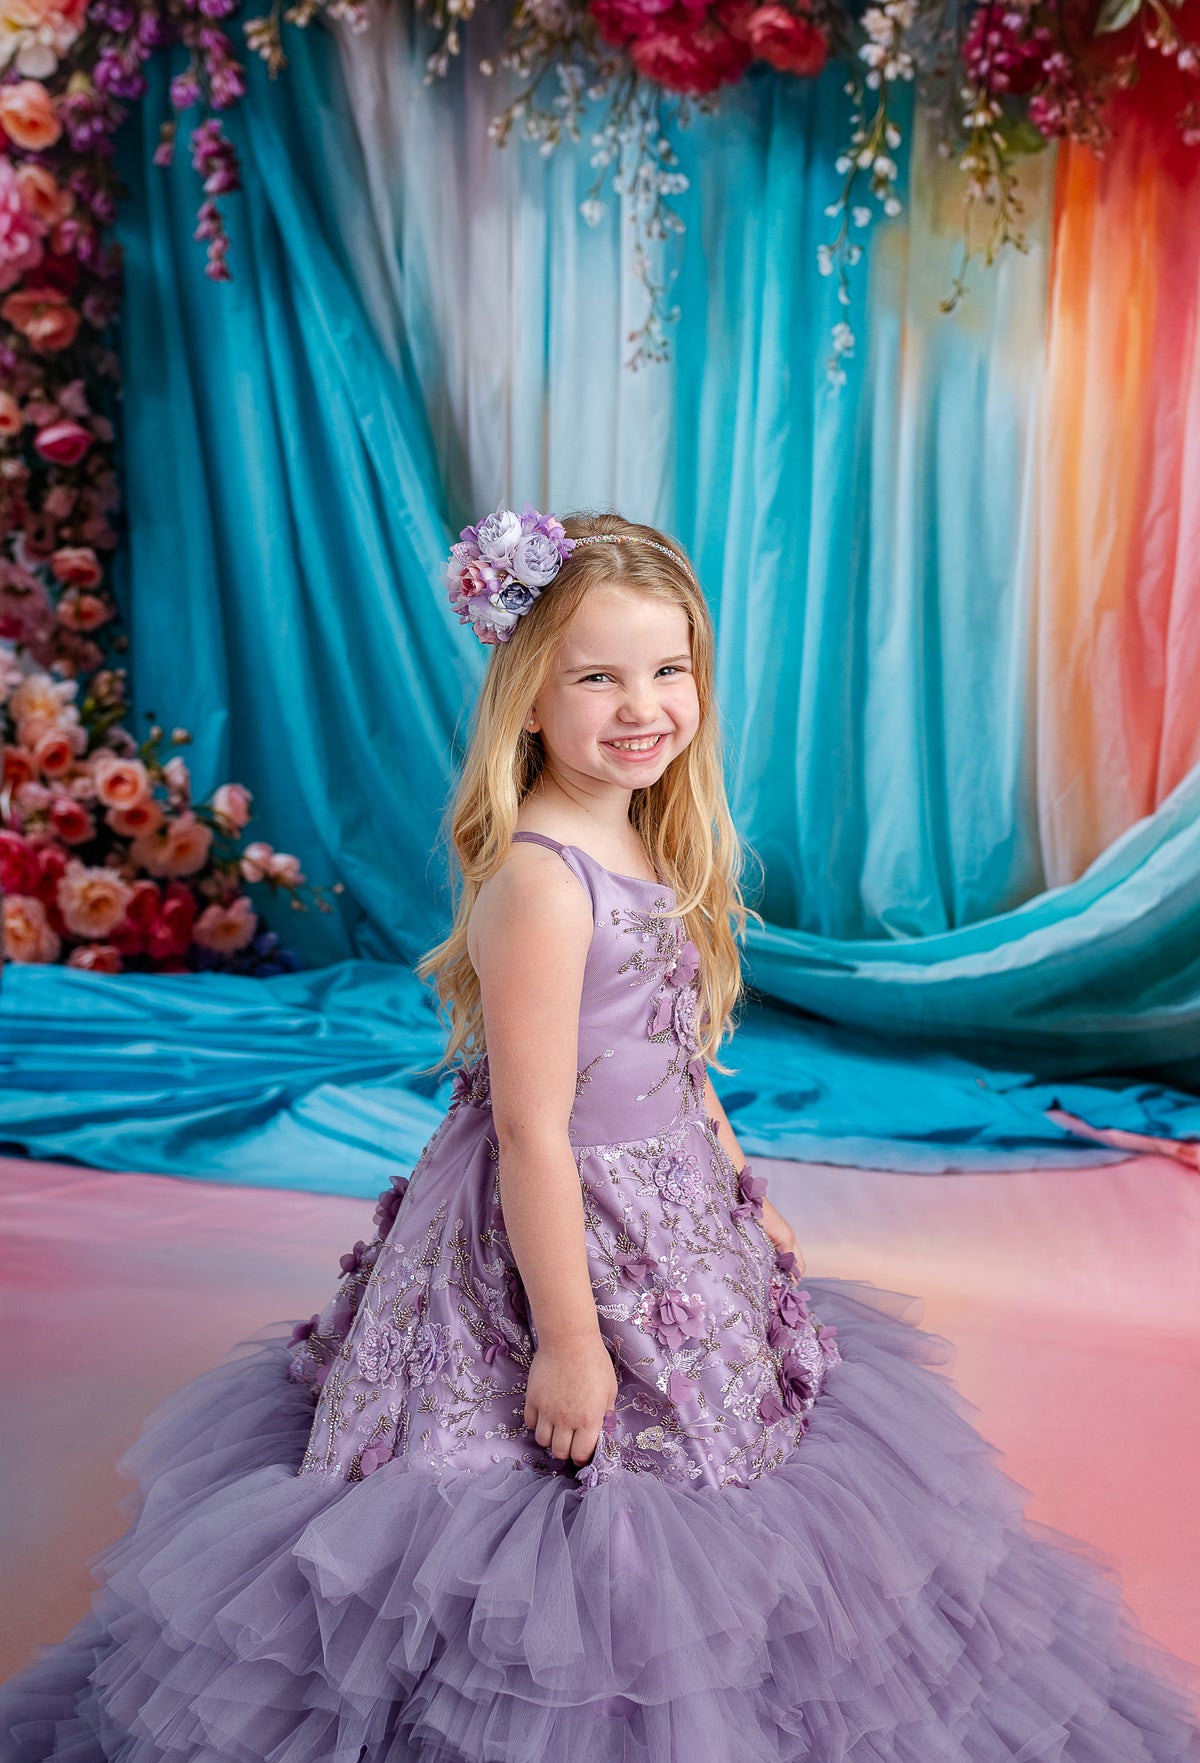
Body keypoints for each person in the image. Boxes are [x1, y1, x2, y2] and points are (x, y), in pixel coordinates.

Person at [2, 506, 1197, 1763]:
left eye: (668, 670)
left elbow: (675, 1049)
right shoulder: (538, 879)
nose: (643, 706)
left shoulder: (639, 825)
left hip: (670, 1202)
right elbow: (530, 1127)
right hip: (560, 1211)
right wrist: (570, 1341)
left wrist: (740, 1180)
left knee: (736, 1461)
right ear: (529, 699)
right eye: (597, 677)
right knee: (555, 1497)